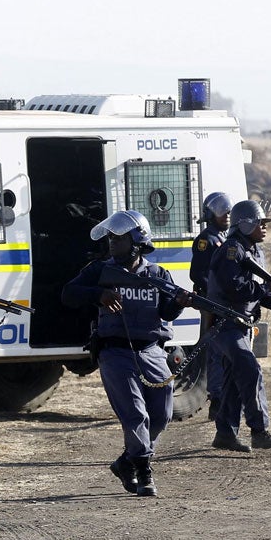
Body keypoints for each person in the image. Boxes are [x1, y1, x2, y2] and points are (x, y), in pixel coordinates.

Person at [61, 210, 191, 497]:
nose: (111, 243)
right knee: (135, 415)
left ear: (137, 240)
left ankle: (125, 463)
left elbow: (166, 311)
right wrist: (98, 295)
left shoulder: (157, 274)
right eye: (109, 238)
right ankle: (144, 472)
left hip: (152, 352)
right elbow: (68, 294)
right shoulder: (99, 270)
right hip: (115, 352)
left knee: (161, 416)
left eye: (117, 238)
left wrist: (180, 303)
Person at [206, 199, 271, 452]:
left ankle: (225, 433)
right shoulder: (231, 250)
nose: (265, 227)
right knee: (249, 370)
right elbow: (235, 287)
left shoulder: (254, 252)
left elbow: (259, 295)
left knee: (235, 379)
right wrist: (266, 287)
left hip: (241, 325)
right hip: (225, 324)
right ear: (244, 224)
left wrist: (268, 292)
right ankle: (259, 431)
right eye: (260, 223)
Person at [190, 192, 232, 420]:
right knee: (215, 352)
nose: (226, 215)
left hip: (224, 303)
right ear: (210, 214)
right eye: (222, 212)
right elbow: (197, 274)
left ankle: (221, 397)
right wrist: (215, 296)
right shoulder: (206, 240)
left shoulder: (225, 238)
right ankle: (215, 400)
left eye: (228, 212)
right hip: (212, 303)